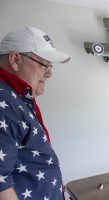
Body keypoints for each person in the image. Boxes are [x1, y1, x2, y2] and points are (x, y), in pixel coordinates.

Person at [0, 26, 71, 200]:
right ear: (15, 59)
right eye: (44, 64)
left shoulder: (15, 97)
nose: (50, 73)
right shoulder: (4, 101)